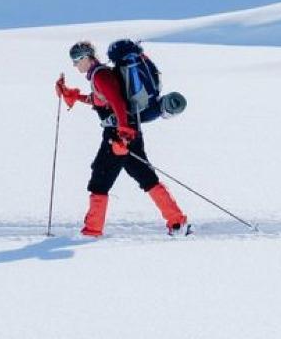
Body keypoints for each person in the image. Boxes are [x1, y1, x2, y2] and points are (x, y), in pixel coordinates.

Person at [55, 41, 189, 237]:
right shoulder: (101, 75)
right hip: (127, 132)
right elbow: (102, 100)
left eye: (76, 60)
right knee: (146, 177)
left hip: (118, 135)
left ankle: (92, 231)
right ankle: (177, 222)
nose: (75, 65)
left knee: (100, 181)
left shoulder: (101, 75)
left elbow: (117, 102)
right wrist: (75, 96)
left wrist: (123, 134)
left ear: (86, 57)